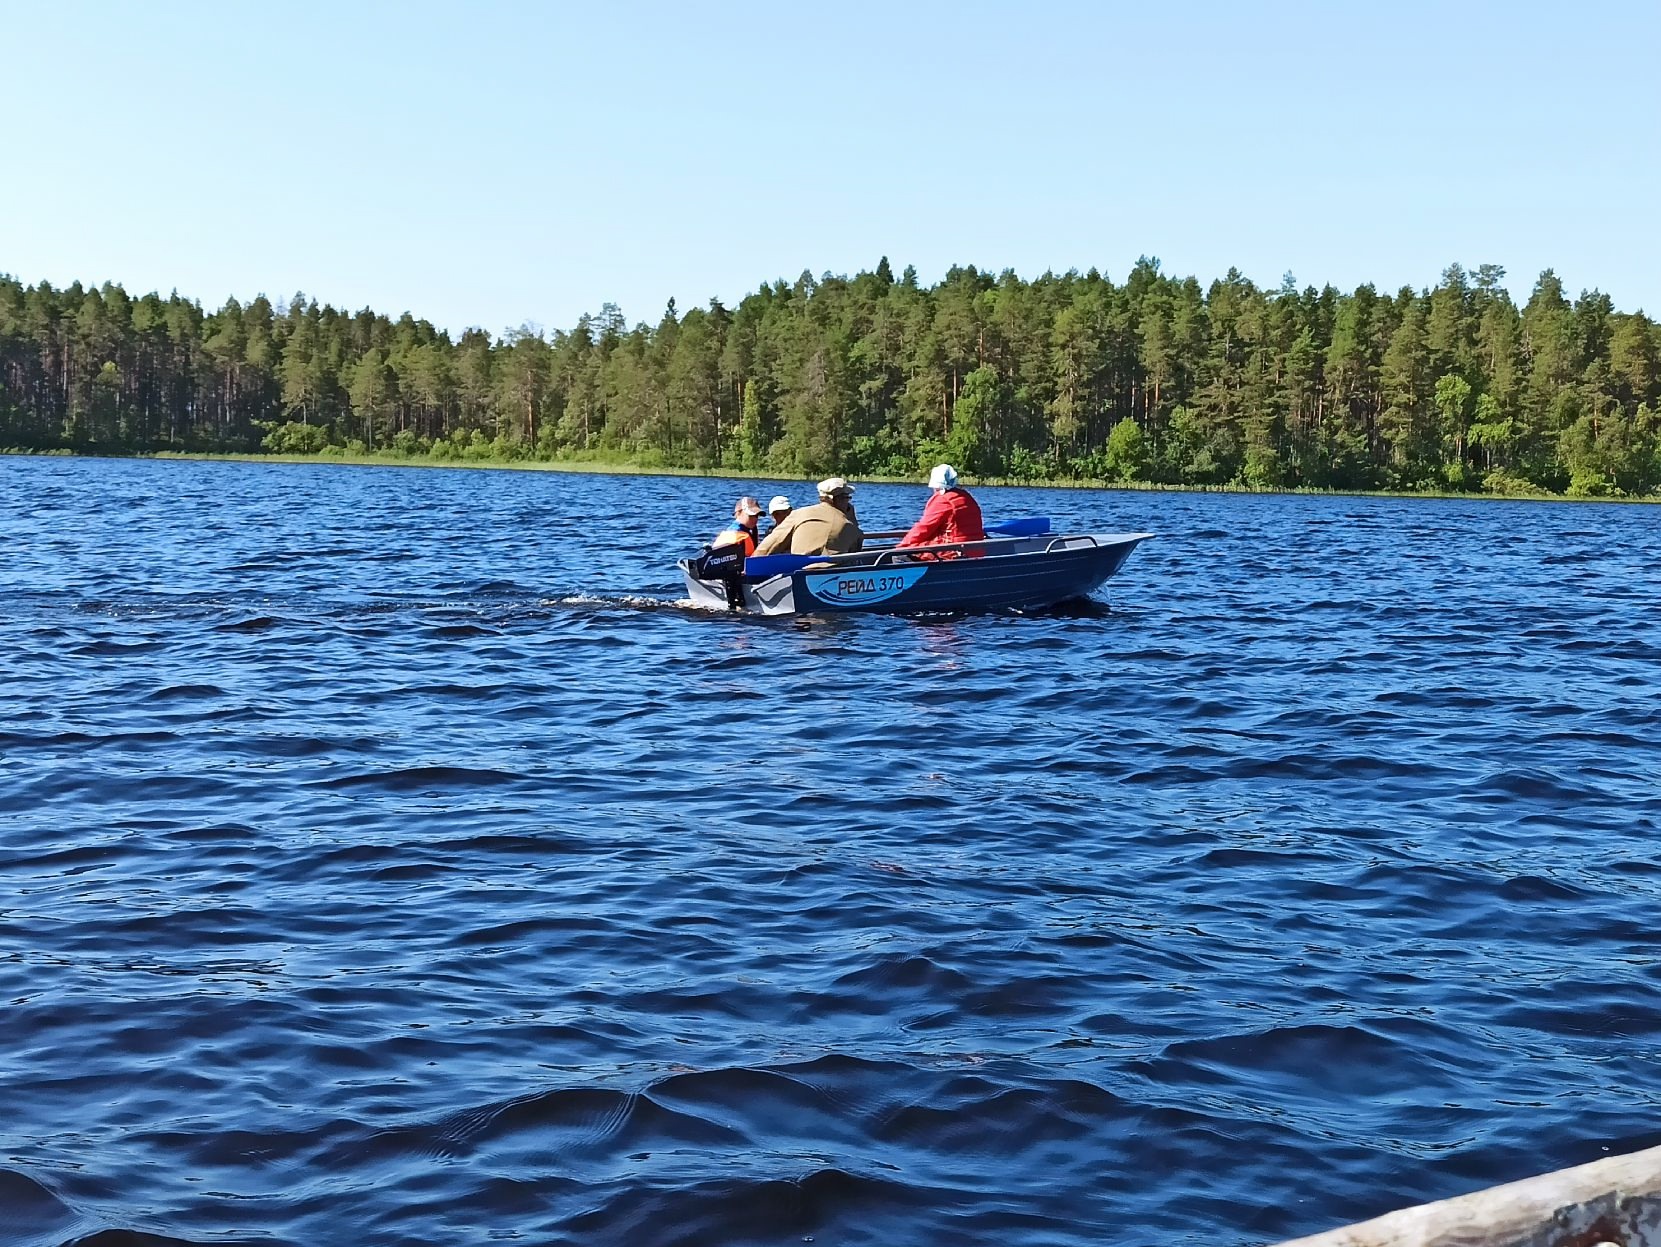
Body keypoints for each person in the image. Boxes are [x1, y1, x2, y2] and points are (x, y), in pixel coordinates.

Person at [754, 478, 863, 556]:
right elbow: (856, 549)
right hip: (832, 575)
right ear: (837, 500)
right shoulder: (849, 526)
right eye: (847, 498)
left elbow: (766, 548)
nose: (848, 502)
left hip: (797, 574)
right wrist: (851, 518)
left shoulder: (799, 514)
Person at [897, 464, 985, 550]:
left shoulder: (943, 500)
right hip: (975, 550)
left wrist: (902, 546)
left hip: (954, 551)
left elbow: (924, 527)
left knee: (902, 554)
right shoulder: (967, 497)